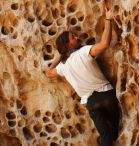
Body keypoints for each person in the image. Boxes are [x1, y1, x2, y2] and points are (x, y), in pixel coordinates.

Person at [45, 8, 121, 146]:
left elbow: (48, 73)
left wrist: (59, 56)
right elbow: (104, 43)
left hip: (92, 103)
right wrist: (108, 19)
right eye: (73, 38)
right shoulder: (84, 52)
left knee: (106, 138)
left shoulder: (63, 66)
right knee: (119, 130)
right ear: (68, 45)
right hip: (107, 95)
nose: (77, 37)